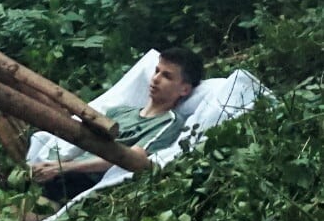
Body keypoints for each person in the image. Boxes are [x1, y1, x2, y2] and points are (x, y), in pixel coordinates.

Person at [29, 46, 204, 199]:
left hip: (84, 180)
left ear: (184, 89)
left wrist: (64, 168)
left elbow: (133, 158)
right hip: (63, 170)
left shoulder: (168, 122)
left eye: (167, 76)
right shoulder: (120, 112)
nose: (156, 78)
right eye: (156, 71)